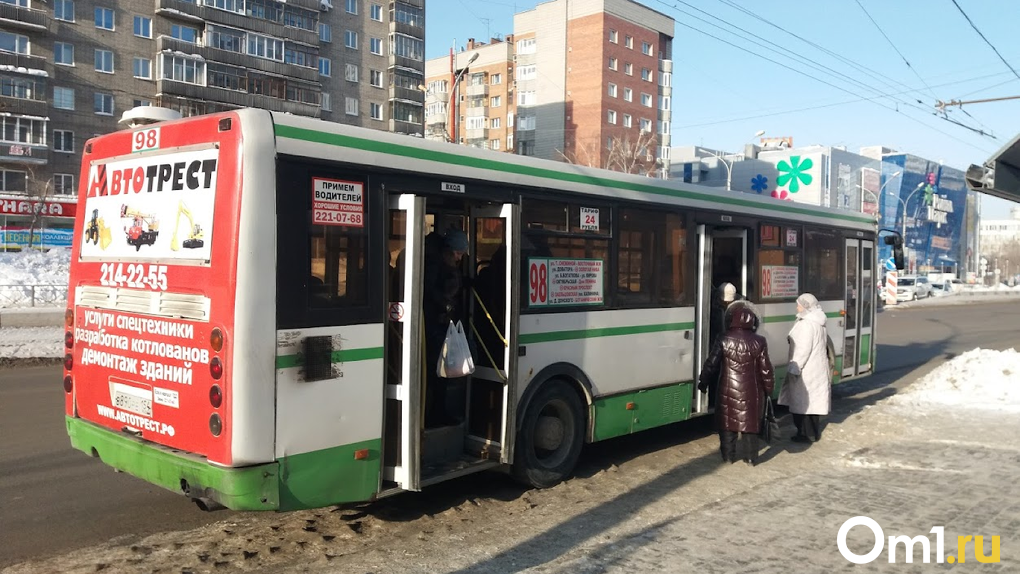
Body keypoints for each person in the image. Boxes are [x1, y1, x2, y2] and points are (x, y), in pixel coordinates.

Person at [698, 307, 775, 466]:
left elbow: (711, 364)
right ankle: (751, 459)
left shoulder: (724, 338)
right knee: (750, 426)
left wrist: (703, 381)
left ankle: (728, 457)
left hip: (727, 389)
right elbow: (766, 369)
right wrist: (769, 388)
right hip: (752, 391)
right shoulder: (759, 341)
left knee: (727, 425)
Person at [422, 228, 469, 428]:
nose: (459, 257)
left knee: (444, 374)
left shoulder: (448, 265)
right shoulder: (435, 265)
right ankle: (434, 415)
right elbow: (429, 291)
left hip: (444, 325)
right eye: (458, 252)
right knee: (438, 374)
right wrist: (446, 305)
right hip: (435, 326)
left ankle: (439, 412)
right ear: (449, 249)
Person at [779, 292, 831, 443]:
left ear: (806, 307)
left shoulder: (806, 325)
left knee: (803, 404)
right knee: (813, 404)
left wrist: (795, 368)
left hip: (805, 370)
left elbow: (802, 349)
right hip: (816, 369)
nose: (797, 307)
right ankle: (813, 433)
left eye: (799, 305)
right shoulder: (818, 322)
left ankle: (805, 434)